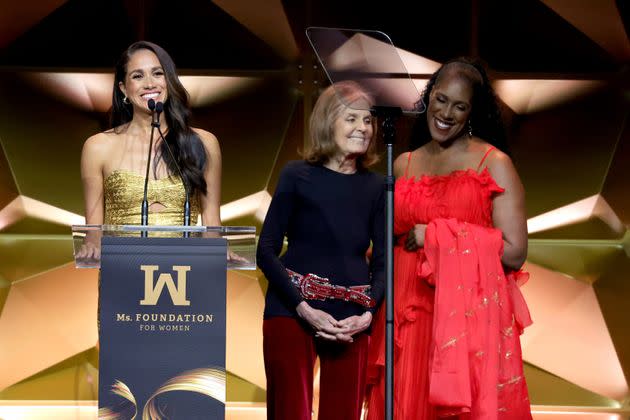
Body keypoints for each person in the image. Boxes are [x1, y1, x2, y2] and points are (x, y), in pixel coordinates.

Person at [365, 58, 533, 419]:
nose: (446, 113)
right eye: (441, 100)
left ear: (472, 112)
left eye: (460, 106)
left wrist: (437, 235)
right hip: (404, 316)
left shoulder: (493, 161)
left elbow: (516, 252)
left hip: (462, 321)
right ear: (429, 97)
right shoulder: (403, 163)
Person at [256, 81, 385, 420]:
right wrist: (304, 308)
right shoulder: (296, 175)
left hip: (352, 319)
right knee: (289, 412)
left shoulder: (378, 186)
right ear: (328, 122)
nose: (363, 128)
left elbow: (384, 262)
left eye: (368, 120)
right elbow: (266, 250)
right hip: (291, 310)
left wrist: (368, 317)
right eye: (352, 119)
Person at [78, 40, 221, 257]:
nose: (149, 83)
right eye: (137, 76)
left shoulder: (203, 142)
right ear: (123, 88)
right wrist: (91, 246)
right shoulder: (97, 147)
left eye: (157, 73)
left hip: (186, 275)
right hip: (124, 274)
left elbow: (212, 227)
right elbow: (94, 232)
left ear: (169, 80)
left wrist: (221, 255)